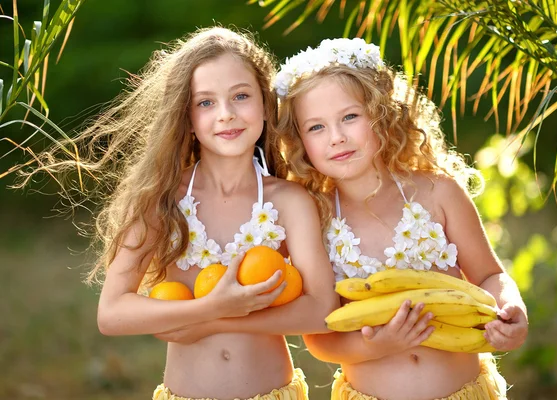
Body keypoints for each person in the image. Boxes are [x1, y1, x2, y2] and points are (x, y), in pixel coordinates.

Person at [28, 27, 340, 400]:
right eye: (205, 102)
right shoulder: (161, 200)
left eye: (240, 96)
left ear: (264, 105)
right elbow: (112, 313)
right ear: (186, 115)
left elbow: (321, 311)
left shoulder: (289, 201)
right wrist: (213, 306)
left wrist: (217, 314)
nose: (226, 114)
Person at [272, 38, 529, 400]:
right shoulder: (314, 219)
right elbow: (319, 337)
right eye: (316, 127)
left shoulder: (438, 193)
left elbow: (490, 275)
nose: (337, 138)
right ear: (298, 141)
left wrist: (509, 307)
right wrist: (377, 346)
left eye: (350, 117)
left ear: (381, 114)